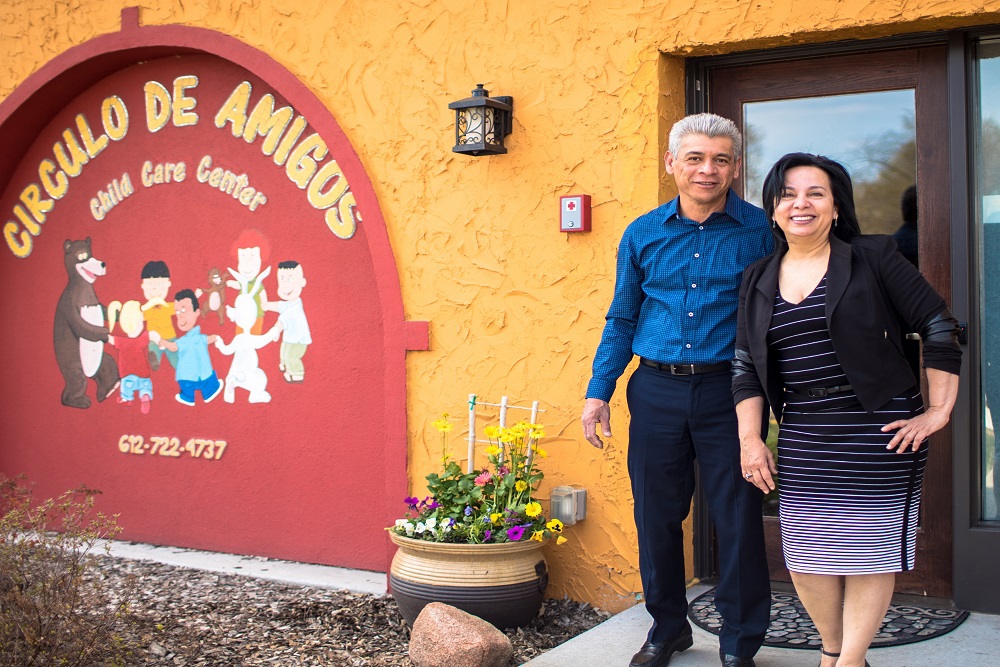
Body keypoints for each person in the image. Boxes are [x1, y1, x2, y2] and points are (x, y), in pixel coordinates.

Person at [732, 153, 962, 667]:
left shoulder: (873, 257)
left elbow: (939, 325)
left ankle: (851, 661)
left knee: (866, 556)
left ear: (836, 207)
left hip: (879, 429)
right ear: (772, 210)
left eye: (815, 192)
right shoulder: (757, 278)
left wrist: (938, 411)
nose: (801, 203)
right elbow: (745, 366)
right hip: (806, 432)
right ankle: (831, 651)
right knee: (806, 558)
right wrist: (752, 440)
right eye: (788, 194)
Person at [582, 113, 773, 667]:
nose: (706, 170)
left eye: (719, 159)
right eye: (694, 158)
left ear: (735, 167)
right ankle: (667, 629)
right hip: (656, 392)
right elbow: (622, 317)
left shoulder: (761, 231)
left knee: (737, 516)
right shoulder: (642, 233)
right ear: (671, 163)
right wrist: (599, 390)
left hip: (729, 395)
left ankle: (740, 642)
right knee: (657, 517)